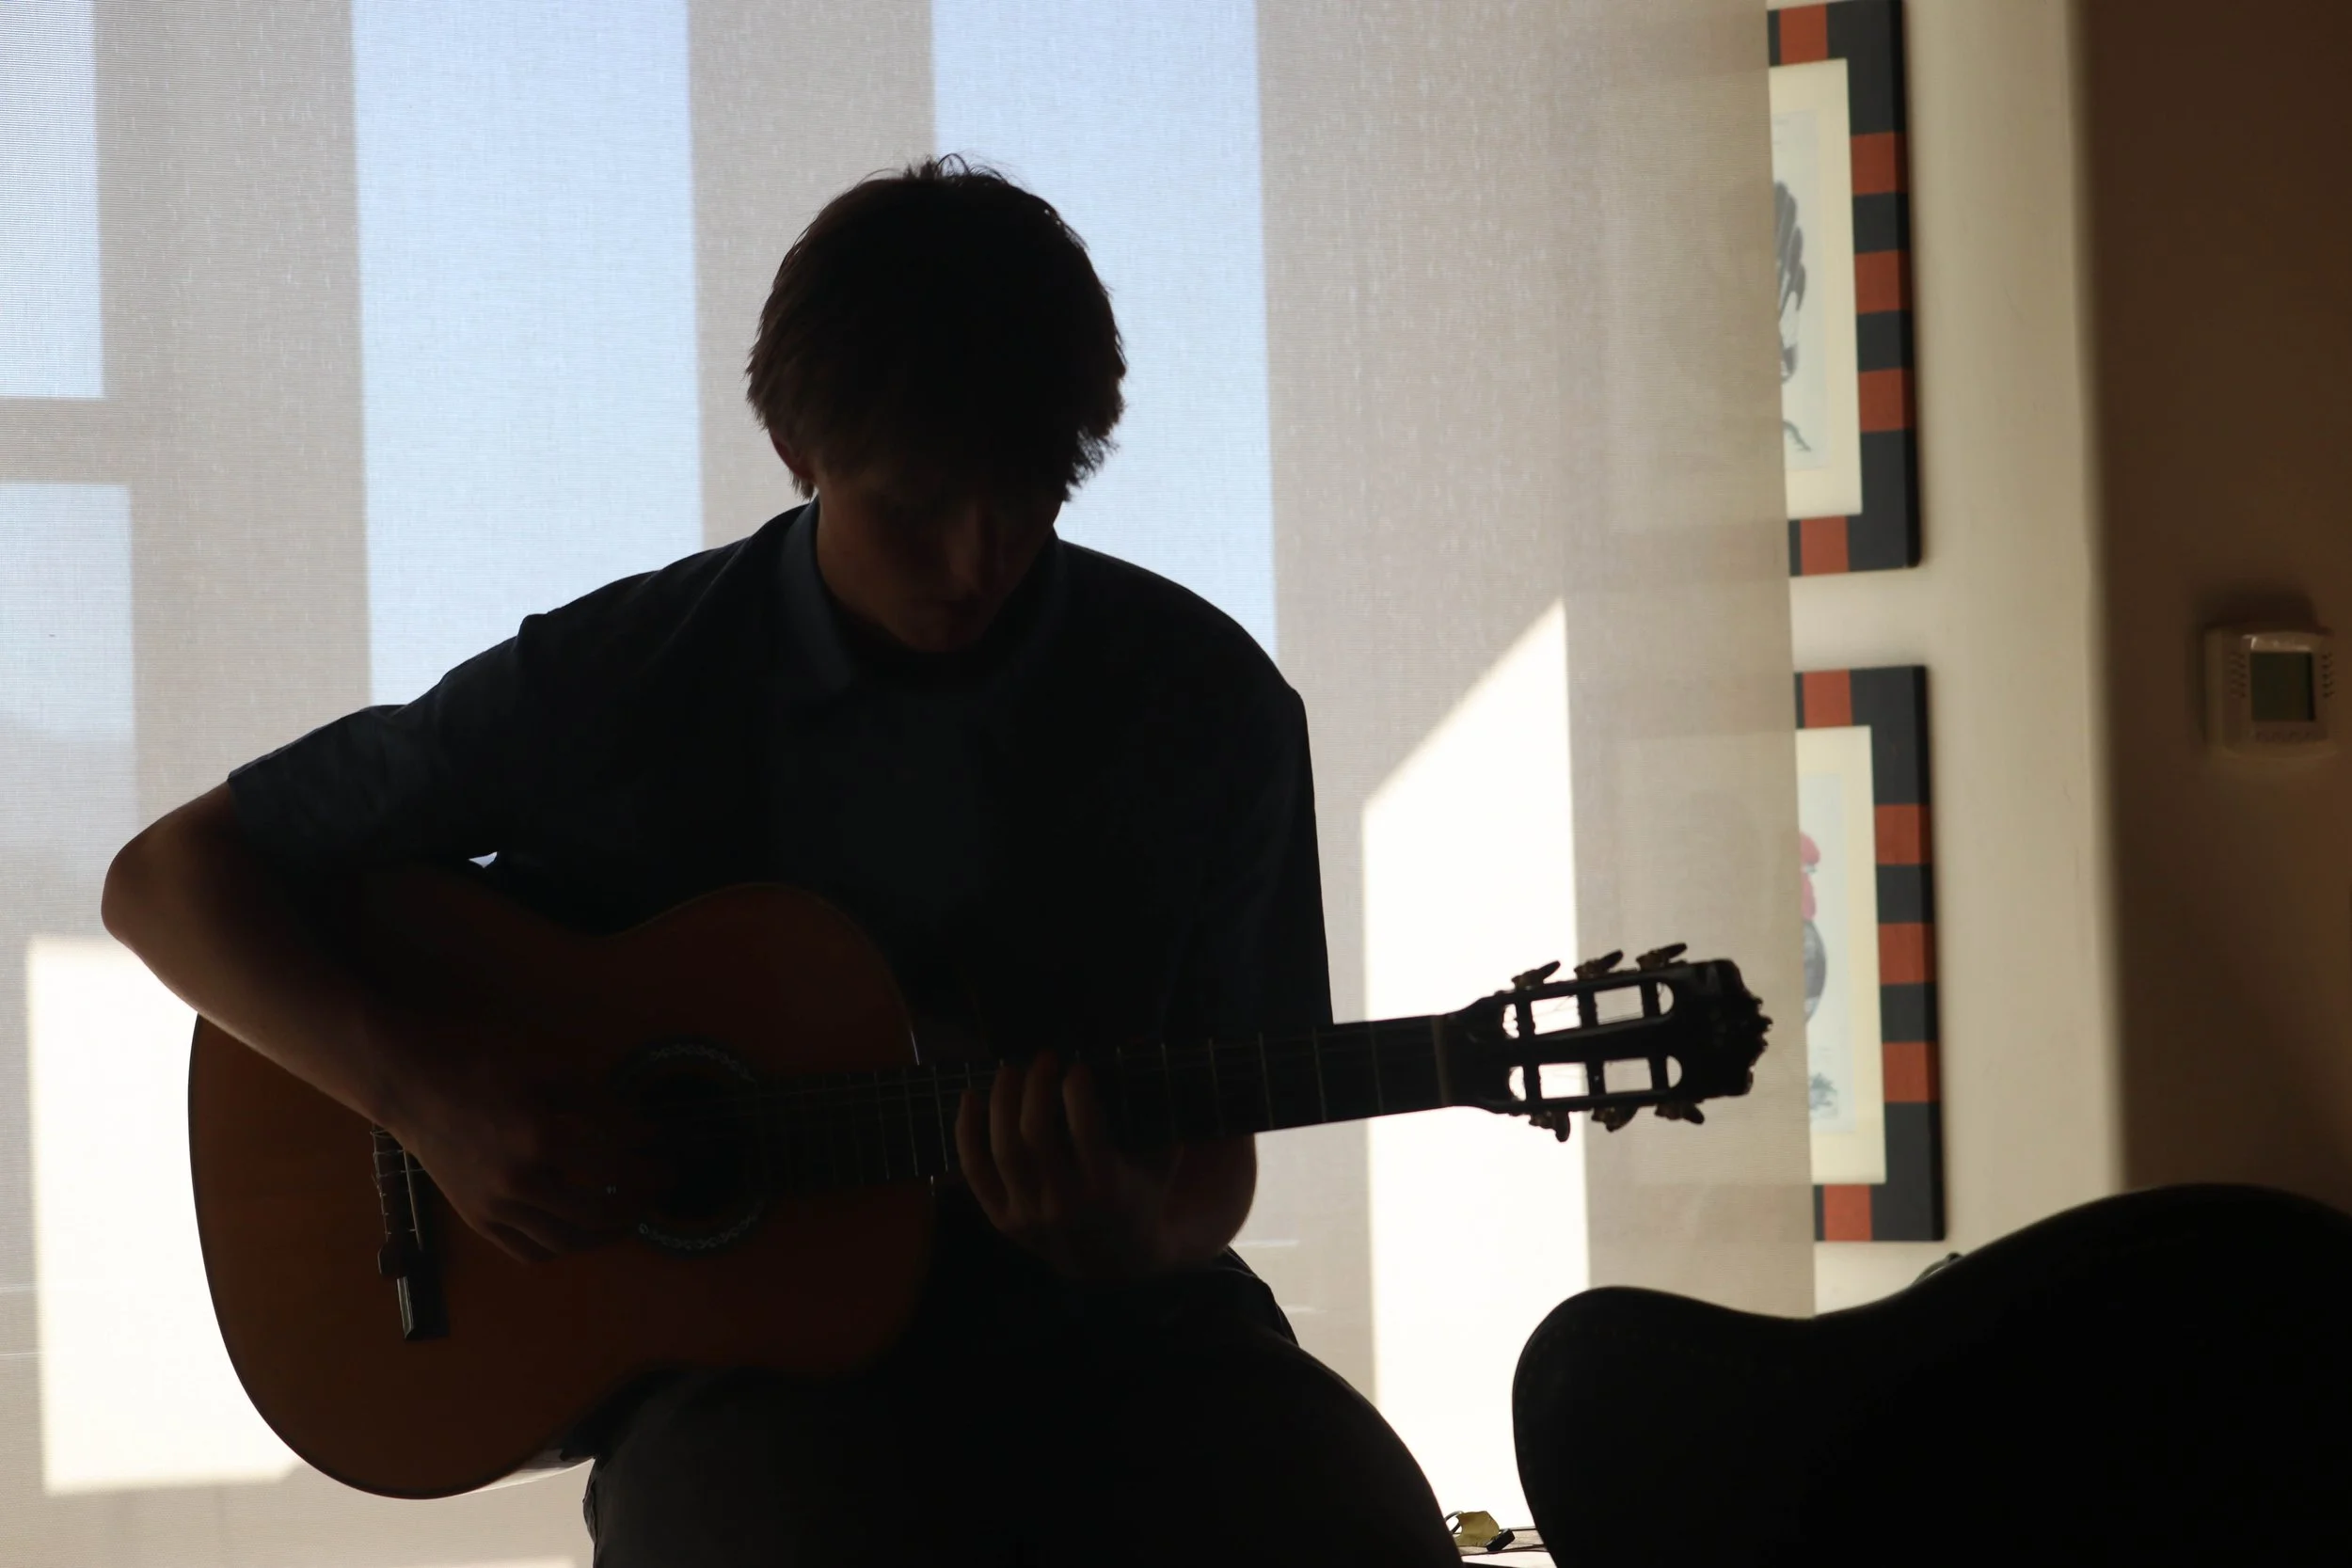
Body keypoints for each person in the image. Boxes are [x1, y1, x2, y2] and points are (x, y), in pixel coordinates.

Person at [102, 156, 1458, 1565]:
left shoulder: (1211, 709)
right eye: (915, 505)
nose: (976, 558)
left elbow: (1218, 1145)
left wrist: (1132, 1234)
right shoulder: (619, 678)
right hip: (742, 1374)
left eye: (1026, 494)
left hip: (1126, 1331)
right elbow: (165, 879)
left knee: (1359, 1532)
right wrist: (429, 1097)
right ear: (799, 455)